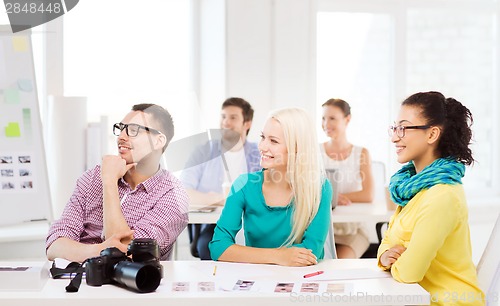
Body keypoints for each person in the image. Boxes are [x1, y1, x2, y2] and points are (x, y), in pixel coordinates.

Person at [378, 91, 484, 305]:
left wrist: (396, 261)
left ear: (432, 134)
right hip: (418, 298)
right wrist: (385, 257)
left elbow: (409, 273)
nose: (394, 137)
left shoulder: (442, 195)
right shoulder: (410, 188)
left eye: (404, 128)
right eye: (394, 127)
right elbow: (387, 243)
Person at [46, 104, 189, 262]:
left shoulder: (174, 196)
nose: (121, 136)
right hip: (81, 282)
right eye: (121, 128)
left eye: (133, 130)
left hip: (132, 283)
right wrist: (100, 250)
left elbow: (128, 254)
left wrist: (109, 183)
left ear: (158, 141)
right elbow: (55, 245)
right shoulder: (92, 177)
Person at [209, 108, 332, 266]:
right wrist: (279, 256)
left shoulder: (319, 187)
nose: (262, 147)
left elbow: (310, 252)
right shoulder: (243, 185)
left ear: (297, 148)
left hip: (302, 280)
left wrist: (264, 255)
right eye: (263, 137)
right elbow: (218, 247)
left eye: (273, 141)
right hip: (259, 281)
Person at [180, 97, 260, 260]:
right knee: (209, 247)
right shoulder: (203, 152)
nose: (225, 122)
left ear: (247, 123)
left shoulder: (259, 154)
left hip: (252, 225)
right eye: (223, 116)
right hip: (214, 227)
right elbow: (183, 192)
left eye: (233, 117)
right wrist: (222, 199)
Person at [320, 98, 374, 258]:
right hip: (324, 227)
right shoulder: (315, 151)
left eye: (332, 118)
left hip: (353, 230)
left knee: (338, 263)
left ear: (347, 119)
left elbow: (368, 195)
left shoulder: (361, 153)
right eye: (323, 118)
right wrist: (333, 198)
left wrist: (335, 198)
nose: (326, 124)